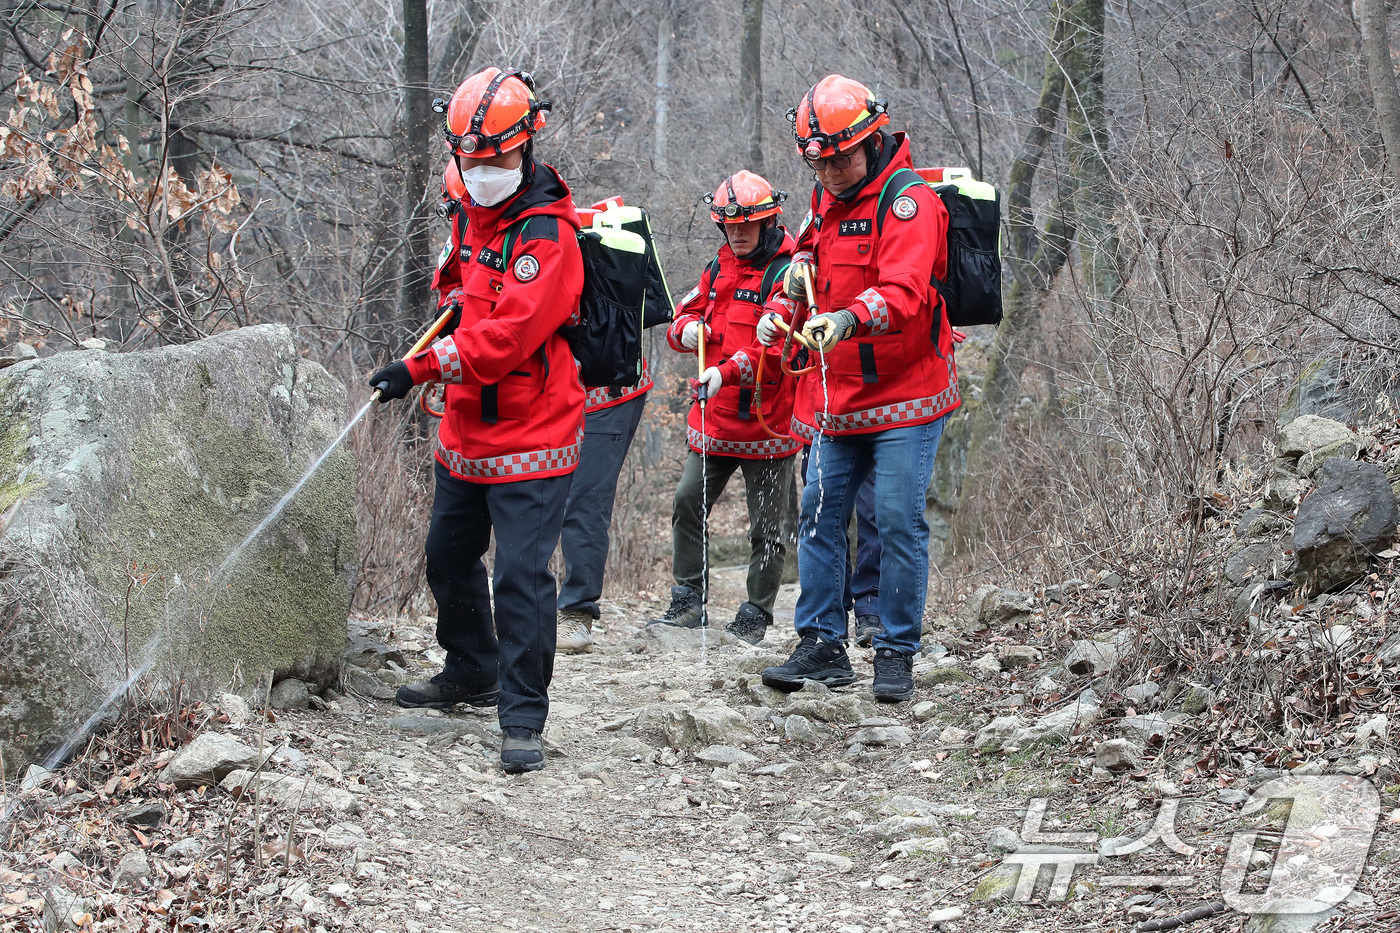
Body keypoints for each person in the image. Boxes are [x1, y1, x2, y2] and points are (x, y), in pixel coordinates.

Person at [369, 66, 583, 773]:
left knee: (521, 577)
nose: (482, 171)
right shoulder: (462, 206)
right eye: (471, 159)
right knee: (447, 557)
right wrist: (451, 303)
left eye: (494, 159)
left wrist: (419, 369)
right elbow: (462, 286)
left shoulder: (549, 236)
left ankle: (522, 716)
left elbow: (506, 340)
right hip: (465, 433)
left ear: (524, 149)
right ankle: (472, 666)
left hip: (535, 434)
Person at [756, 75, 959, 702]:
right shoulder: (823, 202)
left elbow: (903, 290)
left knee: (896, 518)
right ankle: (821, 643)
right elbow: (812, 276)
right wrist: (785, 303)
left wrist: (848, 318)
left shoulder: (910, 202)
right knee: (819, 513)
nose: (831, 170)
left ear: (869, 141)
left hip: (907, 391)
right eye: (819, 161)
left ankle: (895, 651)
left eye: (840, 157)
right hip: (837, 395)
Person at [649, 170, 799, 645]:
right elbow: (684, 314)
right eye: (730, 225)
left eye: (747, 224)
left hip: (767, 423)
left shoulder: (789, 273)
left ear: (768, 221)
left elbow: (774, 344)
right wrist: (685, 330)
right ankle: (688, 599)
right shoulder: (717, 269)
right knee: (687, 502)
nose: (737, 232)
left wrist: (727, 371)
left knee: (767, 528)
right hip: (714, 424)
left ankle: (756, 613)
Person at [554, 332, 653, 653]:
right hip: (549, 388)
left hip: (607, 389)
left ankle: (577, 612)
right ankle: (525, 607)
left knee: (584, 498)